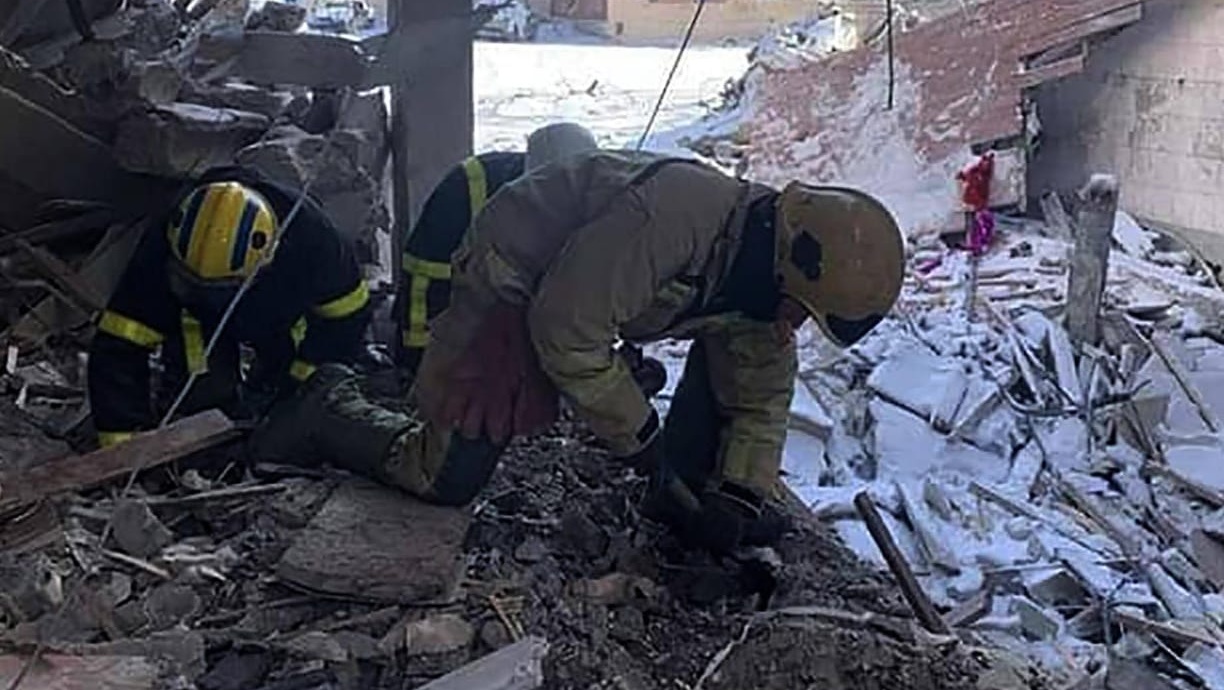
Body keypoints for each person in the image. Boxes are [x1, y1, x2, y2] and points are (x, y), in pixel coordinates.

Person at [254, 151, 904, 553]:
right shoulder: (675, 215)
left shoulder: (765, 276)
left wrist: (737, 496)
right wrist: (639, 440)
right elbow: (565, 328)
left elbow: (762, 395)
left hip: (585, 298)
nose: (793, 322)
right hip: (514, 276)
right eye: (800, 308)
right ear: (792, 265)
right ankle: (327, 405)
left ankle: (681, 500)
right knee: (443, 477)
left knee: (729, 368)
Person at [89, 176, 369, 447]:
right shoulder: (163, 243)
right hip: (195, 319)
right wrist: (121, 447)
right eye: (193, 280)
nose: (211, 293)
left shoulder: (315, 243)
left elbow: (344, 320)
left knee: (291, 395)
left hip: (278, 312)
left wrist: (300, 387)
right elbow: (120, 343)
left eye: (221, 286)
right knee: (205, 398)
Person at [395, 122, 597, 371]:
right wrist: (419, 358)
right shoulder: (468, 186)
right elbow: (425, 277)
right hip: (465, 316)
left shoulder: (601, 194)